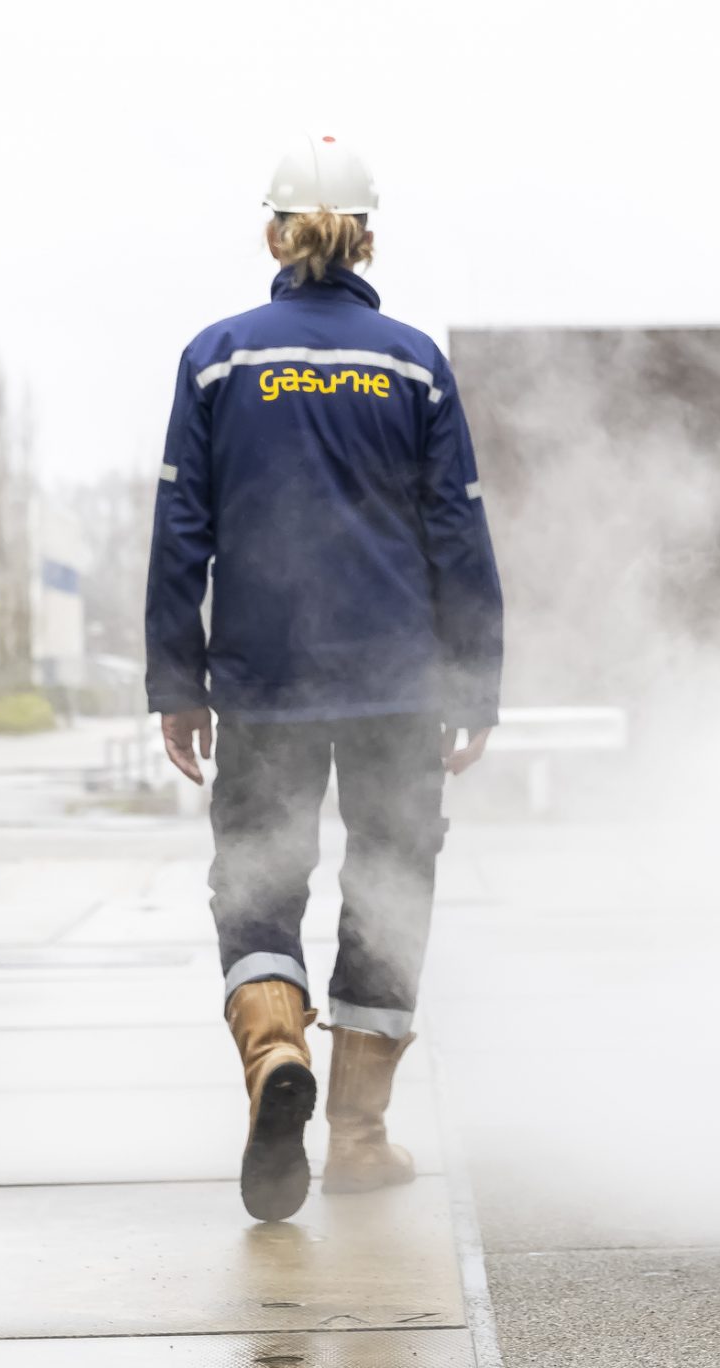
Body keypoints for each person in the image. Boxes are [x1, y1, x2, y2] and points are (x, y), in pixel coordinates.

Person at [146, 135, 503, 1222]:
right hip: (397, 681)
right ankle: (355, 1135)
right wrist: (475, 681)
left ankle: (271, 1063)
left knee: (257, 880)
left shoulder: (216, 358)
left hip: (264, 679)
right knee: (389, 887)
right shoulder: (410, 362)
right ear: (368, 236)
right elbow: (458, 531)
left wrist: (177, 681)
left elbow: (180, 531)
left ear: (271, 231)